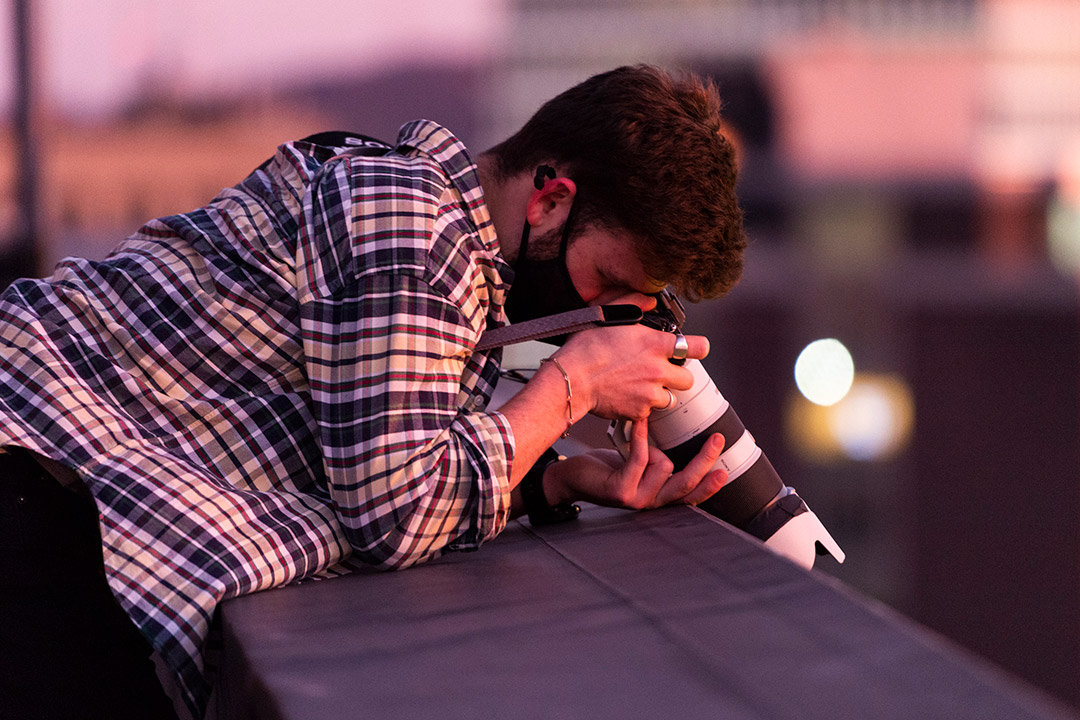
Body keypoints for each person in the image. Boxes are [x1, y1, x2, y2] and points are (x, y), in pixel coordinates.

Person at [0, 64, 746, 719]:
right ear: (550, 199)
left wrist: (553, 482)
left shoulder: (436, 237)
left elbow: (370, 460)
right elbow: (393, 512)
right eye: (608, 281)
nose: (599, 311)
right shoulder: (412, 224)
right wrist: (574, 382)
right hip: (41, 476)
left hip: (66, 492)